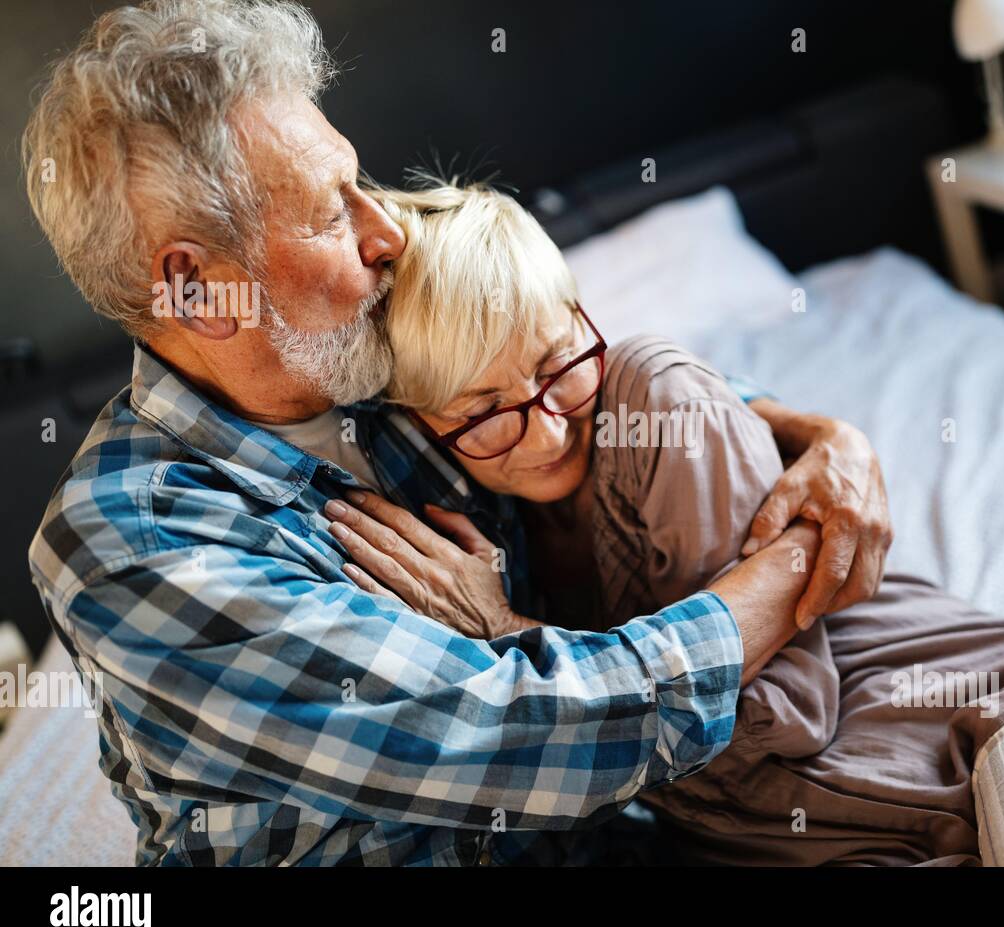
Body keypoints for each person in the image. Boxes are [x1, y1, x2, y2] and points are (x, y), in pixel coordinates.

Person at [22, 0, 892, 865]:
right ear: (201, 290)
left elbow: (573, 378)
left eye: (358, 183)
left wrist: (819, 438)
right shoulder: (131, 540)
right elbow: (531, 740)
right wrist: (800, 559)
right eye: (330, 214)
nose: (386, 229)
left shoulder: (354, 343)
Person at [339, 179, 1004, 866]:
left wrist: (512, 640)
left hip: (987, 718)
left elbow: (784, 718)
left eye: (557, 361)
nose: (547, 423)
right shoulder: (488, 523)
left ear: (584, 317)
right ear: (428, 427)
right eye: (488, 409)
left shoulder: (655, 397)